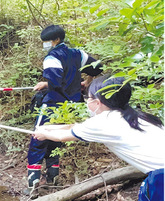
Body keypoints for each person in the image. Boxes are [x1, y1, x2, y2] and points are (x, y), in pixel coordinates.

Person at [33, 75, 164, 200]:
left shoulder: (103, 122)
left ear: (97, 102)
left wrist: (44, 134)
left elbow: (62, 137)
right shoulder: (133, 116)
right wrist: (48, 128)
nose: (86, 101)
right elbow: (76, 127)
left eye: (88, 97)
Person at [25, 24, 103, 195]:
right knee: (55, 138)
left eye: (47, 41)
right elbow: (98, 67)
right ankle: (53, 179)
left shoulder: (51, 57)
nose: (45, 44)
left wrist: (45, 84)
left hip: (54, 104)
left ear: (57, 40)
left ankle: (33, 186)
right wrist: (86, 83)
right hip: (73, 106)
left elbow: (55, 83)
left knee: (38, 138)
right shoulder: (78, 54)